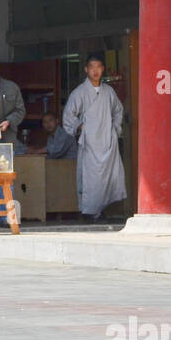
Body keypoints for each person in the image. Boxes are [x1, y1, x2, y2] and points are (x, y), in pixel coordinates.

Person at [62, 53, 127, 222]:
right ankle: (90, 212)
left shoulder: (109, 91)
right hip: (90, 143)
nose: (95, 71)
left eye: (98, 67)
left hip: (107, 141)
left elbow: (118, 111)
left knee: (107, 177)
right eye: (92, 67)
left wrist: (114, 130)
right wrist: (81, 127)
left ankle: (101, 210)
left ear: (102, 69)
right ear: (86, 70)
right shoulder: (80, 92)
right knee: (91, 178)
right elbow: (69, 115)